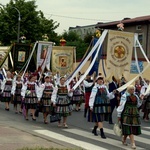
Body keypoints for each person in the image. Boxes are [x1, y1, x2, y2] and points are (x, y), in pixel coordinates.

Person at [117, 85, 142, 149]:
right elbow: (121, 106)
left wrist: (141, 99)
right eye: (131, 89)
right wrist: (119, 115)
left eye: (133, 89)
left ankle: (124, 139)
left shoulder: (136, 96)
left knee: (129, 128)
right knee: (129, 128)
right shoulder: (124, 96)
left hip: (134, 114)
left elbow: (138, 105)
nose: (132, 90)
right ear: (128, 89)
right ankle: (133, 143)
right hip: (126, 113)